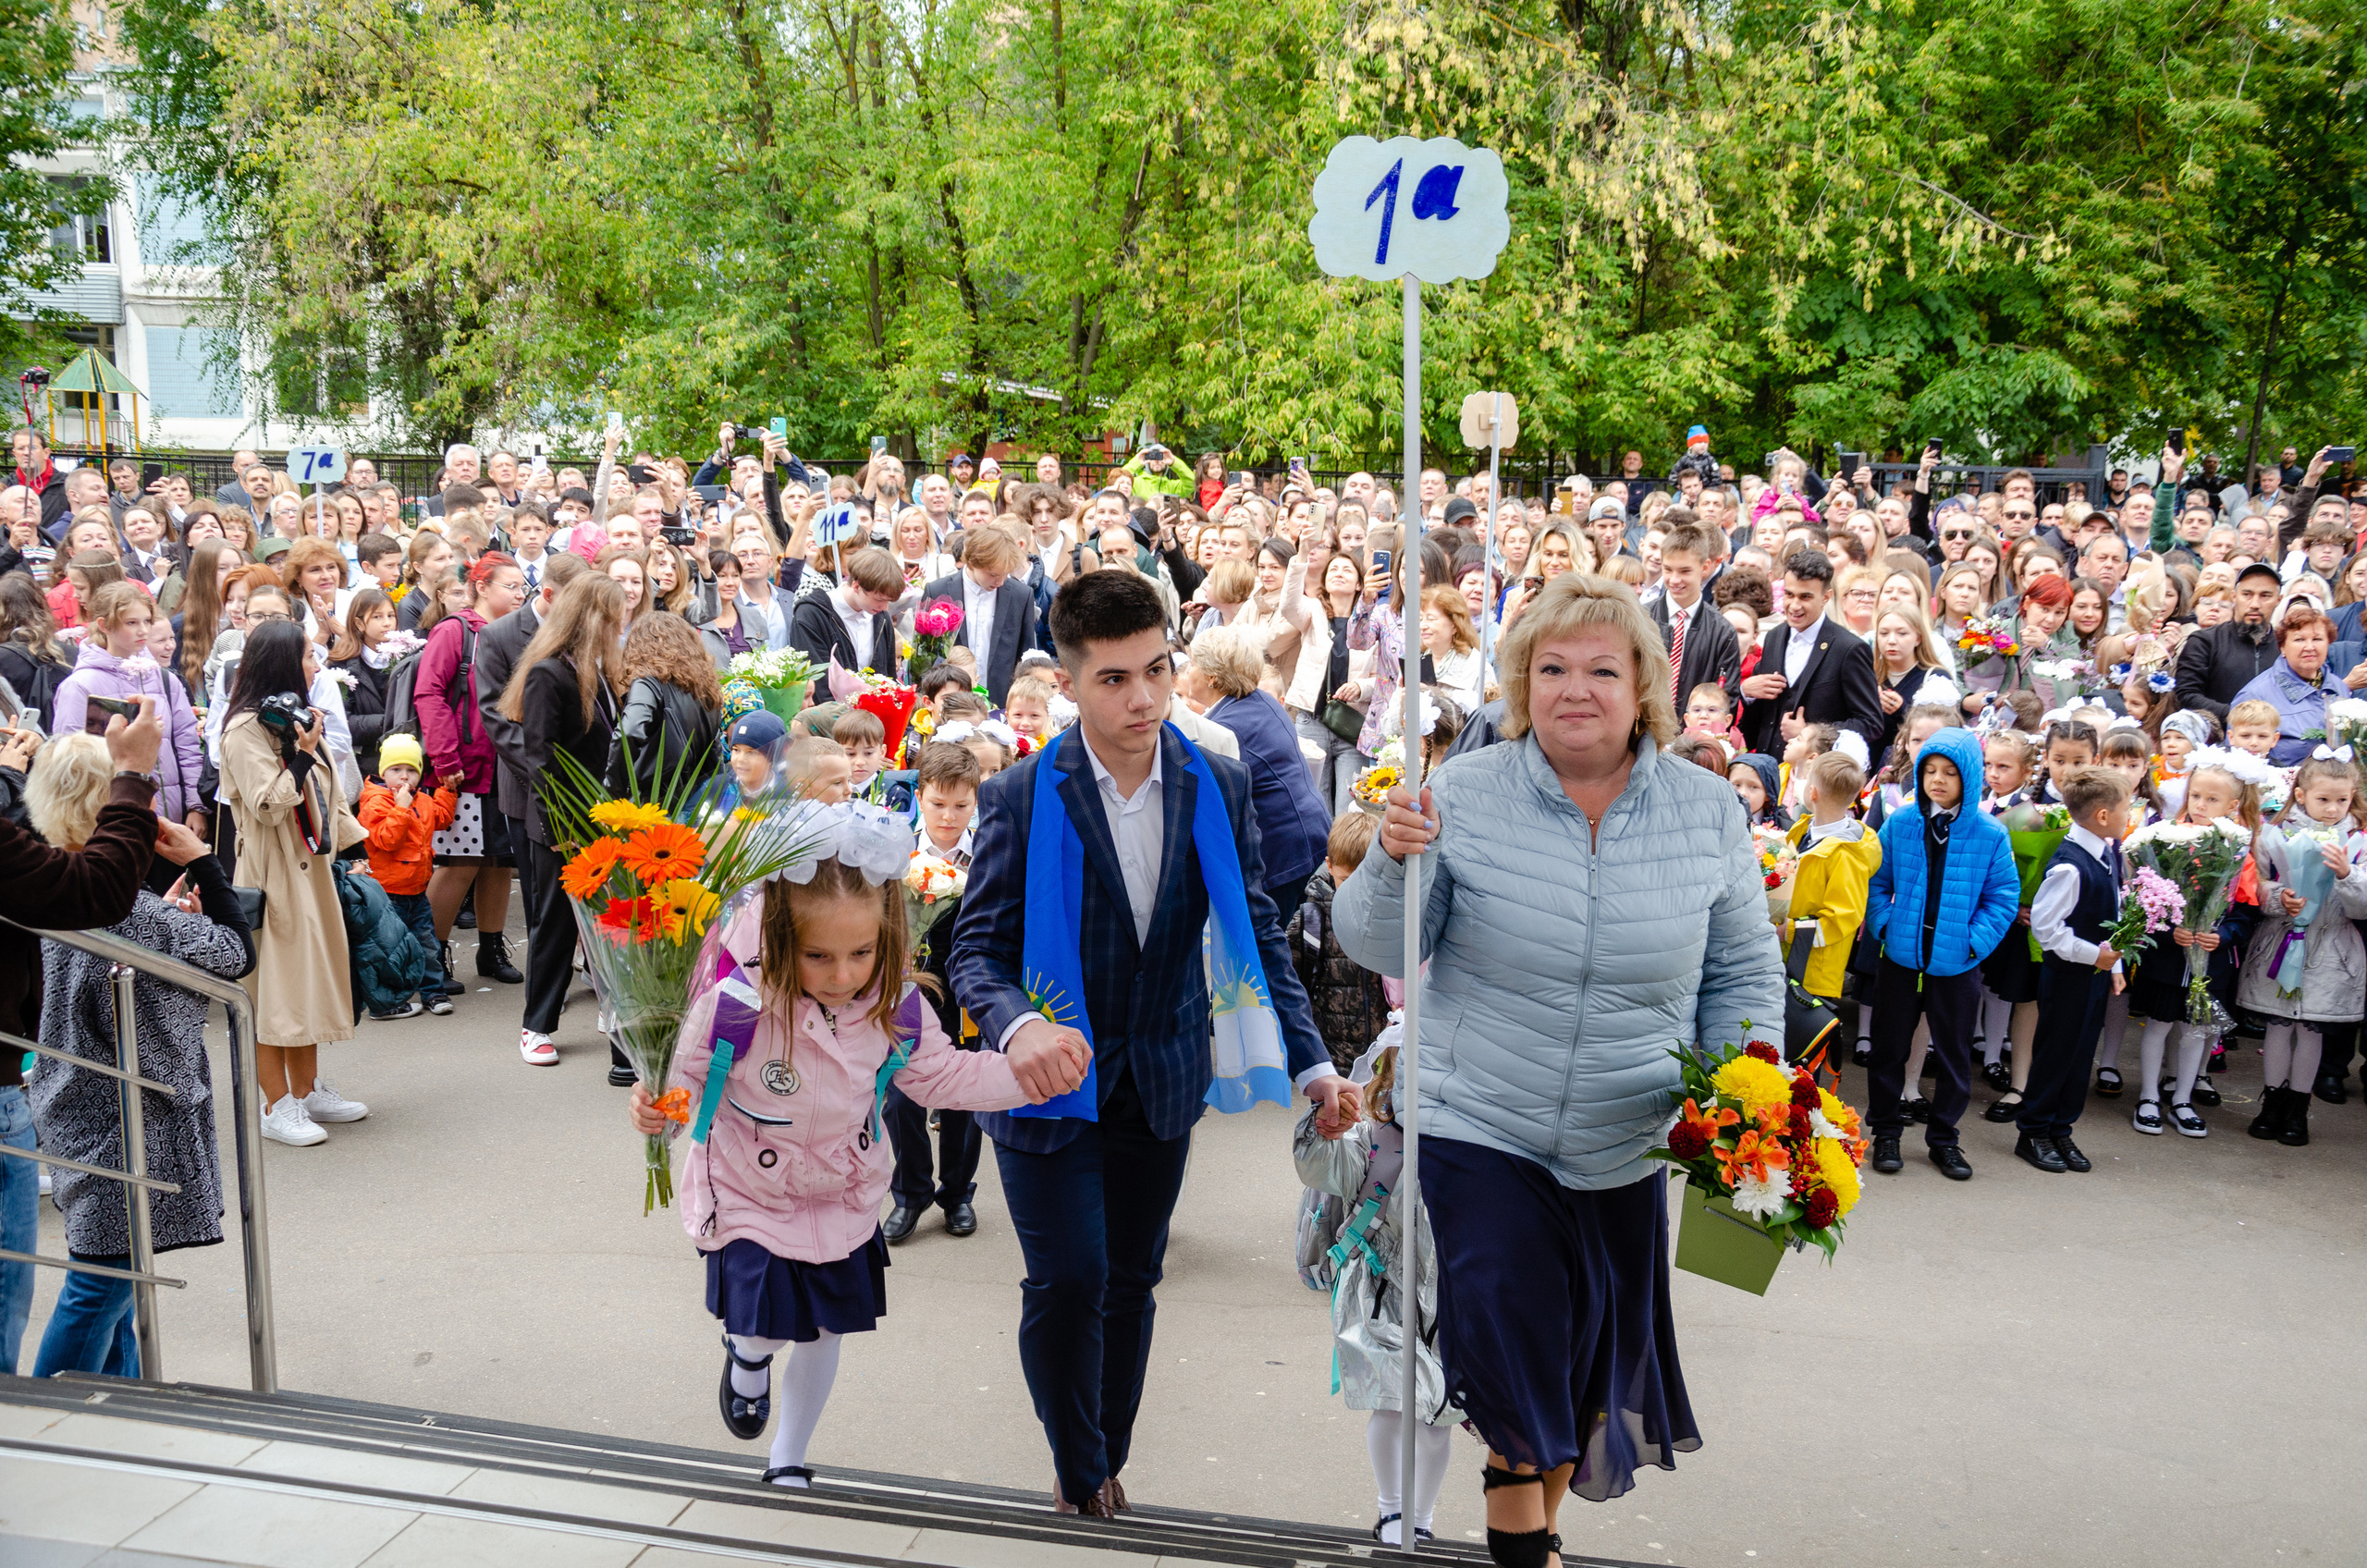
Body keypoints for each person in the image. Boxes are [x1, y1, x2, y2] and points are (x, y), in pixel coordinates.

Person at [1334, 569, 1782, 1559]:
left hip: (1627, 1134)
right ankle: (1515, 1516)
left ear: (1645, 687)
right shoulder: (1459, 790)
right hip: (1480, 1119)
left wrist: (1747, 1091)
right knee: (1505, 1330)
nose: (1575, 688)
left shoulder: (1706, 811)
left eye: (1600, 669)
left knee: (1582, 1380)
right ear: (1518, 683)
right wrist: (1390, 861)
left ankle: (1530, 1499)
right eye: (1550, 668)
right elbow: (1375, 944)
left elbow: (1744, 968)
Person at [949, 570, 1354, 1517]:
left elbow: (1255, 929)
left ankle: (1101, 1449)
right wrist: (1019, 1024)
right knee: (1067, 1277)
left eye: (1158, 672)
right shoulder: (1016, 795)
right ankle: (1081, 1466)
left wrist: (1315, 1062)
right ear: (1070, 685)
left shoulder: (1216, 777)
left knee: (1130, 1278)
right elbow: (973, 951)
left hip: (1162, 1074)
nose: (1142, 699)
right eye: (1115, 680)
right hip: (1047, 1082)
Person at [625, 806, 1081, 1488]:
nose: (842, 974)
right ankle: (747, 1356)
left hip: (843, 1192)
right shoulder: (736, 1002)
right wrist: (658, 1109)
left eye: (861, 953)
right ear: (779, 936)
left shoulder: (893, 1002)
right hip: (751, 1189)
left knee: (822, 1333)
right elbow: (685, 1080)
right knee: (765, 1325)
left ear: (887, 935)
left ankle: (789, 1455)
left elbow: (943, 1073)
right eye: (818, 956)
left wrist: (1023, 1074)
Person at [20, 734, 247, 1378]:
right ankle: (49, 1418)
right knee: (103, 1285)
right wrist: (203, 861)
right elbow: (235, 952)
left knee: (115, 1282)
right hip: (126, 1119)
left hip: (69, 1101)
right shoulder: (126, 908)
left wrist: (169, 923)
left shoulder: (47, 880)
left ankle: (114, 1402)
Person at [216, 621, 371, 1146]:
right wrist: (304, 752)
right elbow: (265, 804)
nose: (317, 664)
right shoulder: (243, 730)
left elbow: (330, 793)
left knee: (307, 981)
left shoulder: (296, 719)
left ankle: (306, 1092)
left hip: (312, 867)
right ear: (283, 662)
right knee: (275, 992)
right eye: (308, 655)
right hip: (272, 872)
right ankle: (275, 1104)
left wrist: (354, 847)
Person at [1294, 1041, 1454, 1548]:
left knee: (1435, 1413)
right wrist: (1325, 1121)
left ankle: (1421, 1517)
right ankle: (1391, 1513)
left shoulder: (1471, 1147)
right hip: (1378, 1291)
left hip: (1449, 1299)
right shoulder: (1371, 1140)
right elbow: (1321, 1167)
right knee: (1390, 1403)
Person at [1861, 727, 2020, 1181]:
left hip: (1957, 965)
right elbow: (1877, 881)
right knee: (1889, 1048)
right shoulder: (1901, 823)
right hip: (1901, 959)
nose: (1937, 779)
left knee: (1952, 1054)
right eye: (1930, 770)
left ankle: (1944, 1138)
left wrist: (1975, 940)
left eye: (1950, 772)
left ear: (1969, 777)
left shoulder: (1990, 834)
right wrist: (1886, 925)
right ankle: (1887, 1132)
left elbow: (2004, 896)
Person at [503, 574, 627, 1069]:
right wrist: (558, 831)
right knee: (555, 922)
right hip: (562, 825)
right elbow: (540, 759)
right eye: (614, 613)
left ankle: (611, 1005)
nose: (621, 623)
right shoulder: (549, 674)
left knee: (605, 920)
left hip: (600, 818)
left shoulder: (599, 669)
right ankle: (536, 1025)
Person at [2236, 754, 2367, 1148]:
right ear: (2301, 795)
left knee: (2310, 1030)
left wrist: (2347, 874)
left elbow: (2362, 907)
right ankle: (2272, 1101)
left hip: (2331, 948)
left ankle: (2297, 1109)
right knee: (2279, 1025)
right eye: (2323, 799)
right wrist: (2280, 898)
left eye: (2341, 801)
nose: (2333, 809)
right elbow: (2257, 885)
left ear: (2352, 798)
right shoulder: (2277, 831)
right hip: (2282, 942)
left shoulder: (2358, 840)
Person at [883, 741, 986, 1245]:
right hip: (905, 991)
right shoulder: (894, 847)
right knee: (900, 1097)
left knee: (964, 1097)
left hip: (966, 992)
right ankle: (910, 1192)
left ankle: (958, 1192)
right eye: (937, 803)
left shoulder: (989, 852)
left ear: (975, 802)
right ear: (919, 795)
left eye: (961, 806)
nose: (948, 816)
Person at [417, 552, 527, 994]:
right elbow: (429, 694)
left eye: (523, 587)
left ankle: (490, 948)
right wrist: (445, 759)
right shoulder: (454, 631)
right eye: (511, 586)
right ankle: (431, 955)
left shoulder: (519, 632)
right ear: (481, 587)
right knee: (460, 863)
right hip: (463, 770)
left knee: (500, 862)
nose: (521, 594)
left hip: (507, 766)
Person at [2015, 766, 2131, 1174]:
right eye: (2126, 807)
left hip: (2094, 976)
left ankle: (2060, 1127)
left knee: (2081, 1054)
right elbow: (2047, 929)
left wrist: (2112, 964)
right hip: (2067, 977)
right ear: (2103, 815)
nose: (2129, 813)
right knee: (2056, 1053)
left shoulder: (2105, 852)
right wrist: (2092, 955)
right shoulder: (2070, 865)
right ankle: (2033, 1130)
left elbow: (2108, 916)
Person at [1179, 625, 1331, 930]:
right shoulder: (1259, 702)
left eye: (1193, 664)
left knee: (1276, 949)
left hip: (1286, 855)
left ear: (1212, 676)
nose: (1188, 672)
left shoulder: (1227, 729)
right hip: (1307, 841)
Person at [51, 582, 207, 833]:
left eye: (147, 621)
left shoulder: (165, 679)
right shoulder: (80, 685)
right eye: (131, 623)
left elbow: (187, 745)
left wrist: (196, 806)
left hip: (172, 819)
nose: (142, 630)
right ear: (104, 625)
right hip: (114, 822)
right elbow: (71, 760)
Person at [1738, 549, 1882, 756]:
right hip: (1766, 769)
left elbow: (1870, 723)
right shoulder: (1774, 638)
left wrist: (1812, 733)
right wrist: (1747, 692)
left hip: (1815, 774)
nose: (1794, 605)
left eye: (1805, 597)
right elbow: (1762, 714)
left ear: (1826, 597)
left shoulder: (1848, 648)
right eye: (1789, 595)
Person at [356, 733, 458, 1021]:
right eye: (396, 770)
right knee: (389, 949)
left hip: (417, 891)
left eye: (412, 770)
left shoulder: (422, 800)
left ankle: (434, 992)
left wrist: (447, 790)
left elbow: (441, 817)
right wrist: (401, 808)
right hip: (387, 893)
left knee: (427, 944)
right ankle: (389, 1000)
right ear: (382, 772)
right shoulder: (375, 803)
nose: (405, 777)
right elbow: (386, 840)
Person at [1784, 749, 1879, 1036]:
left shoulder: (1846, 855)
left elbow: (1842, 918)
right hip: (1787, 961)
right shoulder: (1803, 829)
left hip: (1814, 973)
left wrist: (1787, 931)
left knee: (1801, 1056)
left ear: (1812, 793)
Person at [1289, 811, 1392, 1074]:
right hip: (1332, 1062)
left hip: (1387, 1057)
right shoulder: (1311, 921)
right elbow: (1292, 988)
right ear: (1330, 866)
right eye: (1347, 880)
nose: (1357, 890)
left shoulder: (1394, 916)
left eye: (1366, 880)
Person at [607, 612, 724, 799]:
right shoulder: (705, 688)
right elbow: (714, 752)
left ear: (639, 646)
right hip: (693, 801)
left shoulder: (648, 683)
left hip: (654, 804)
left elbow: (629, 731)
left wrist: (612, 791)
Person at [925, 528, 1036, 704]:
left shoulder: (1020, 595)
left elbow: (1026, 655)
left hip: (1001, 701)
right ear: (972, 563)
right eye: (992, 574)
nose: (999, 582)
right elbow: (926, 658)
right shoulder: (938, 591)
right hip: (951, 701)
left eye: (1005, 574)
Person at [2231, 604, 2347, 765]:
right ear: (2282, 647)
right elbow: (2238, 758)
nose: (2309, 647)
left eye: (2317, 639)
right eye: (2299, 639)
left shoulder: (2339, 687)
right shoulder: (2256, 694)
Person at [2173, 562, 2283, 722]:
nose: (2254, 604)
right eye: (2247, 594)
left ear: (2279, 600)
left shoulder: (2286, 646)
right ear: (2234, 596)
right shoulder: (2205, 641)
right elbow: (2186, 695)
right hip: (2216, 739)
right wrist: (2235, 715)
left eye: (2265, 596)